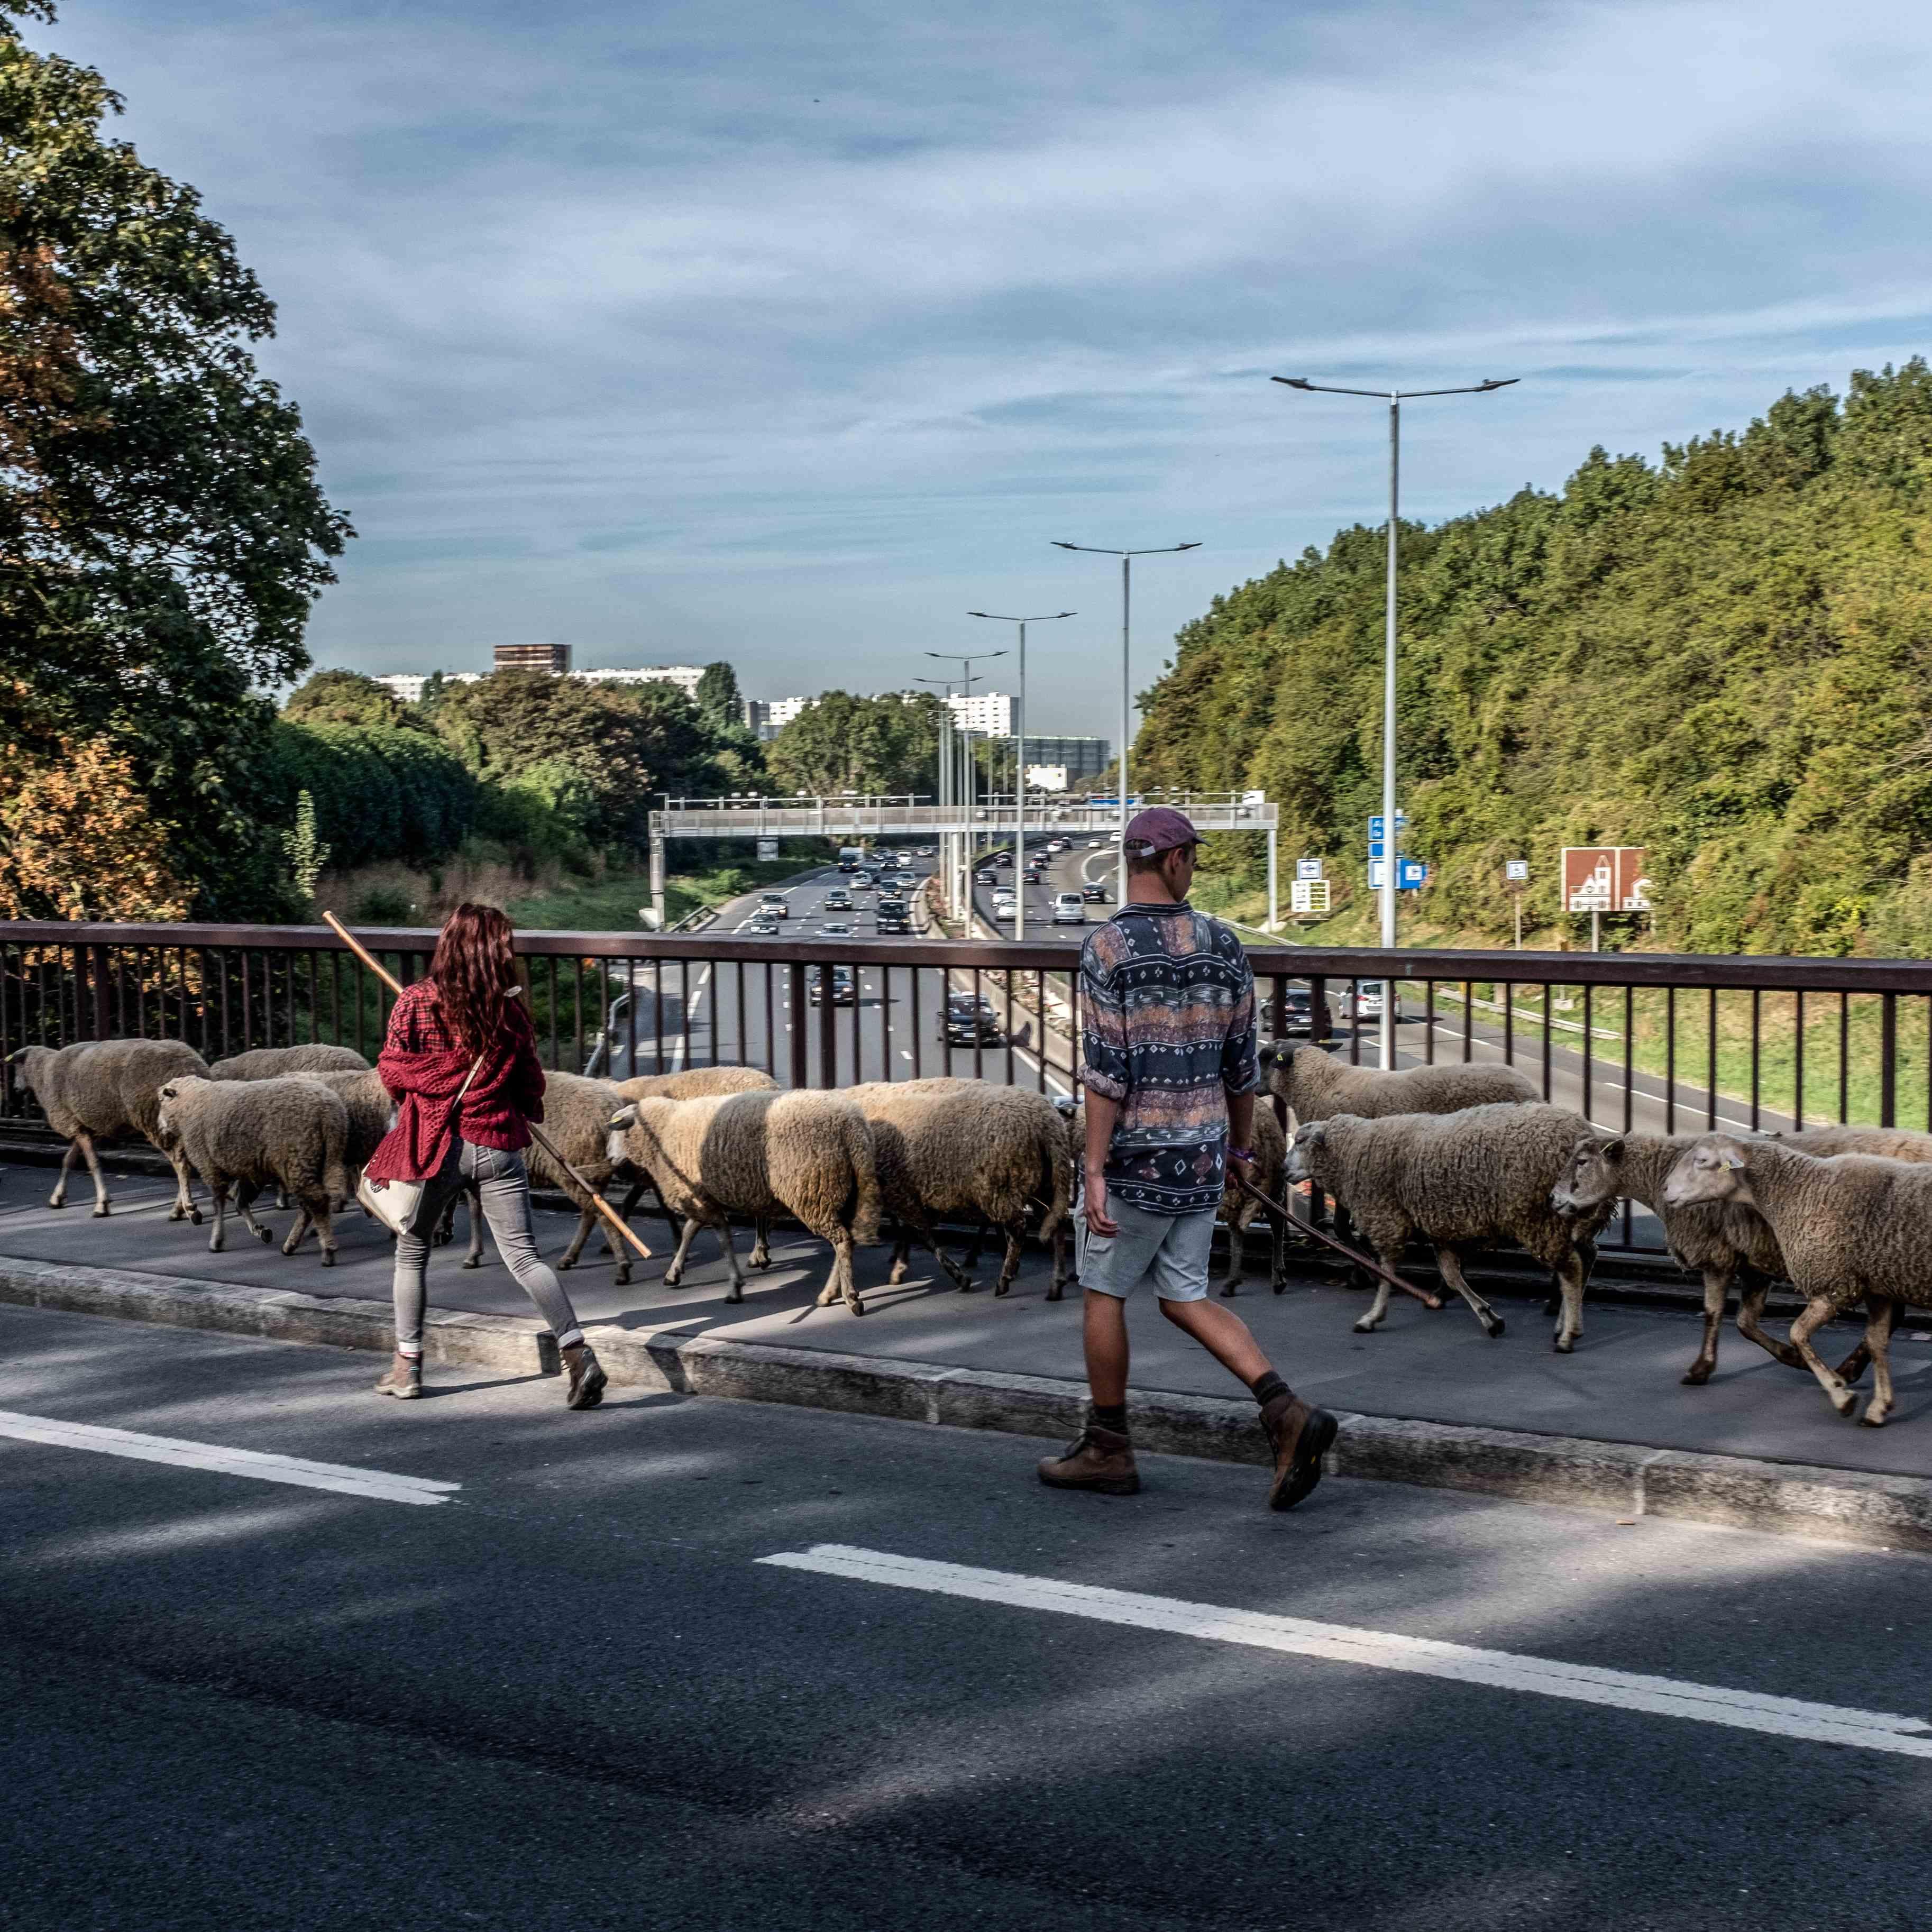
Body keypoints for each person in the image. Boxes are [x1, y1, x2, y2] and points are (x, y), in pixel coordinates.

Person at [1039, 808, 1337, 1507]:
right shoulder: (1223, 944)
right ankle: (1284, 1411)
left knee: (1104, 1291)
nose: (1194, 867)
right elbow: (1243, 1070)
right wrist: (1237, 1148)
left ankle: (1108, 1448)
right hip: (1200, 1157)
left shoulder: (1107, 949)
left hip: (1135, 1160)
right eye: (1192, 857)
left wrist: (1092, 1170)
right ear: (1171, 861)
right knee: (1184, 1295)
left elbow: (1106, 1075)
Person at [364, 903, 607, 1409]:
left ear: (449, 944)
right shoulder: (510, 1012)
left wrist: (425, 1087)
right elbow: (531, 1085)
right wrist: (505, 1096)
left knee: (413, 1251)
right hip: (496, 1145)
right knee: (523, 1257)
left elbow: (391, 1073)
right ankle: (578, 1353)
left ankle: (407, 1367)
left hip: (435, 1148)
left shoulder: (414, 1002)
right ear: (498, 952)